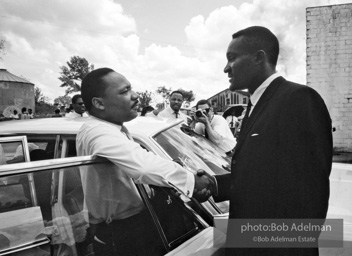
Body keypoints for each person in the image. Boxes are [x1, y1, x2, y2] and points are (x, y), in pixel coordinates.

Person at [211, 26, 332, 256]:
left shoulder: (298, 100)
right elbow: (263, 176)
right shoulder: (254, 105)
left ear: (259, 57)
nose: (226, 67)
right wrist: (213, 185)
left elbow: (310, 193)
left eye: (232, 58)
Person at [77, 68, 214, 255]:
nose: (135, 96)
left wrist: (183, 182)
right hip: (119, 235)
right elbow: (143, 167)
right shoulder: (97, 131)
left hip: (138, 224)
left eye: (131, 89)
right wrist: (191, 180)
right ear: (99, 103)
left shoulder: (114, 129)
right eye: (125, 91)